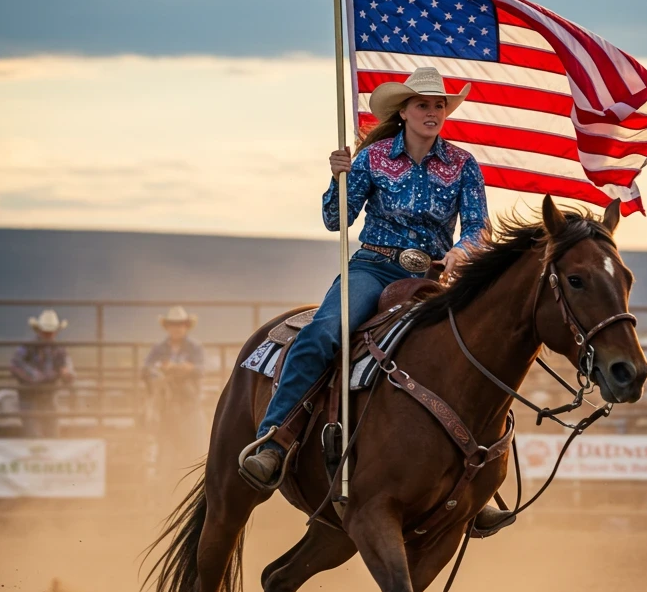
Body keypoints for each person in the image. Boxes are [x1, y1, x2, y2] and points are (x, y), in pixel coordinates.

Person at [241, 66, 494, 496]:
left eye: (438, 105)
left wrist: (462, 251)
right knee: (324, 332)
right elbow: (334, 219)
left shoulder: (463, 165)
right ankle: (275, 439)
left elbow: (477, 226)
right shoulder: (373, 159)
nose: (432, 112)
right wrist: (338, 178)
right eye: (423, 105)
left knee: (477, 352)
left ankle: (478, 475)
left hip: (433, 274)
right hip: (374, 268)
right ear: (404, 111)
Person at [143, 306, 206, 477]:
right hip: (166, 408)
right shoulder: (159, 348)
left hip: (189, 405)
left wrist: (183, 369)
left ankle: (190, 482)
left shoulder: (194, 347)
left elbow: (201, 369)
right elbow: (147, 369)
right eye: (173, 324)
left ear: (186, 326)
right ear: (168, 327)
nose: (177, 328)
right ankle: (165, 488)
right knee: (166, 452)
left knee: (194, 450)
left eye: (180, 324)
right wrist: (163, 370)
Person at [10, 309, 75, 437]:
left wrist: (66, 373)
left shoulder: (59, 349)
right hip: (29, 396)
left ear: (55, 332)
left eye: (51, 333)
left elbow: (66, 368)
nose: (49, 335)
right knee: (33, 435)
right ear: (39, 331)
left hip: (47, 397)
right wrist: (34, 376)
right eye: (46, 332)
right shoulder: (28, 346)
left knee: (52, 433)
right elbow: (15, 364)